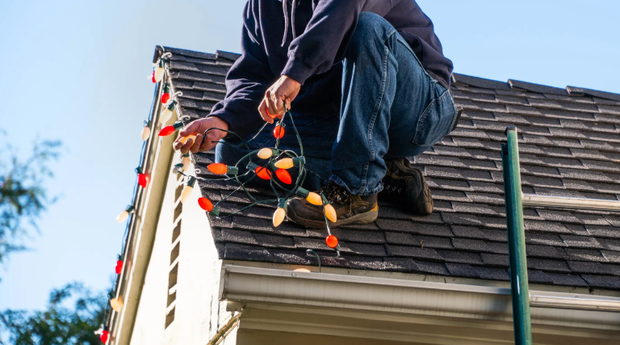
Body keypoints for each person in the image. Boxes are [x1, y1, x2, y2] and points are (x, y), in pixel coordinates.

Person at [173, 0, 458, 228]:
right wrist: (223, 120)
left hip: (417, 106)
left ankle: (356, 188)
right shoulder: (259, 7)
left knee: (368, 28)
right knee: (233, 150)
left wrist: (296, 70)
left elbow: (341, 9)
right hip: (344, 116)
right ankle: (378, 176)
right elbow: (255, 76)